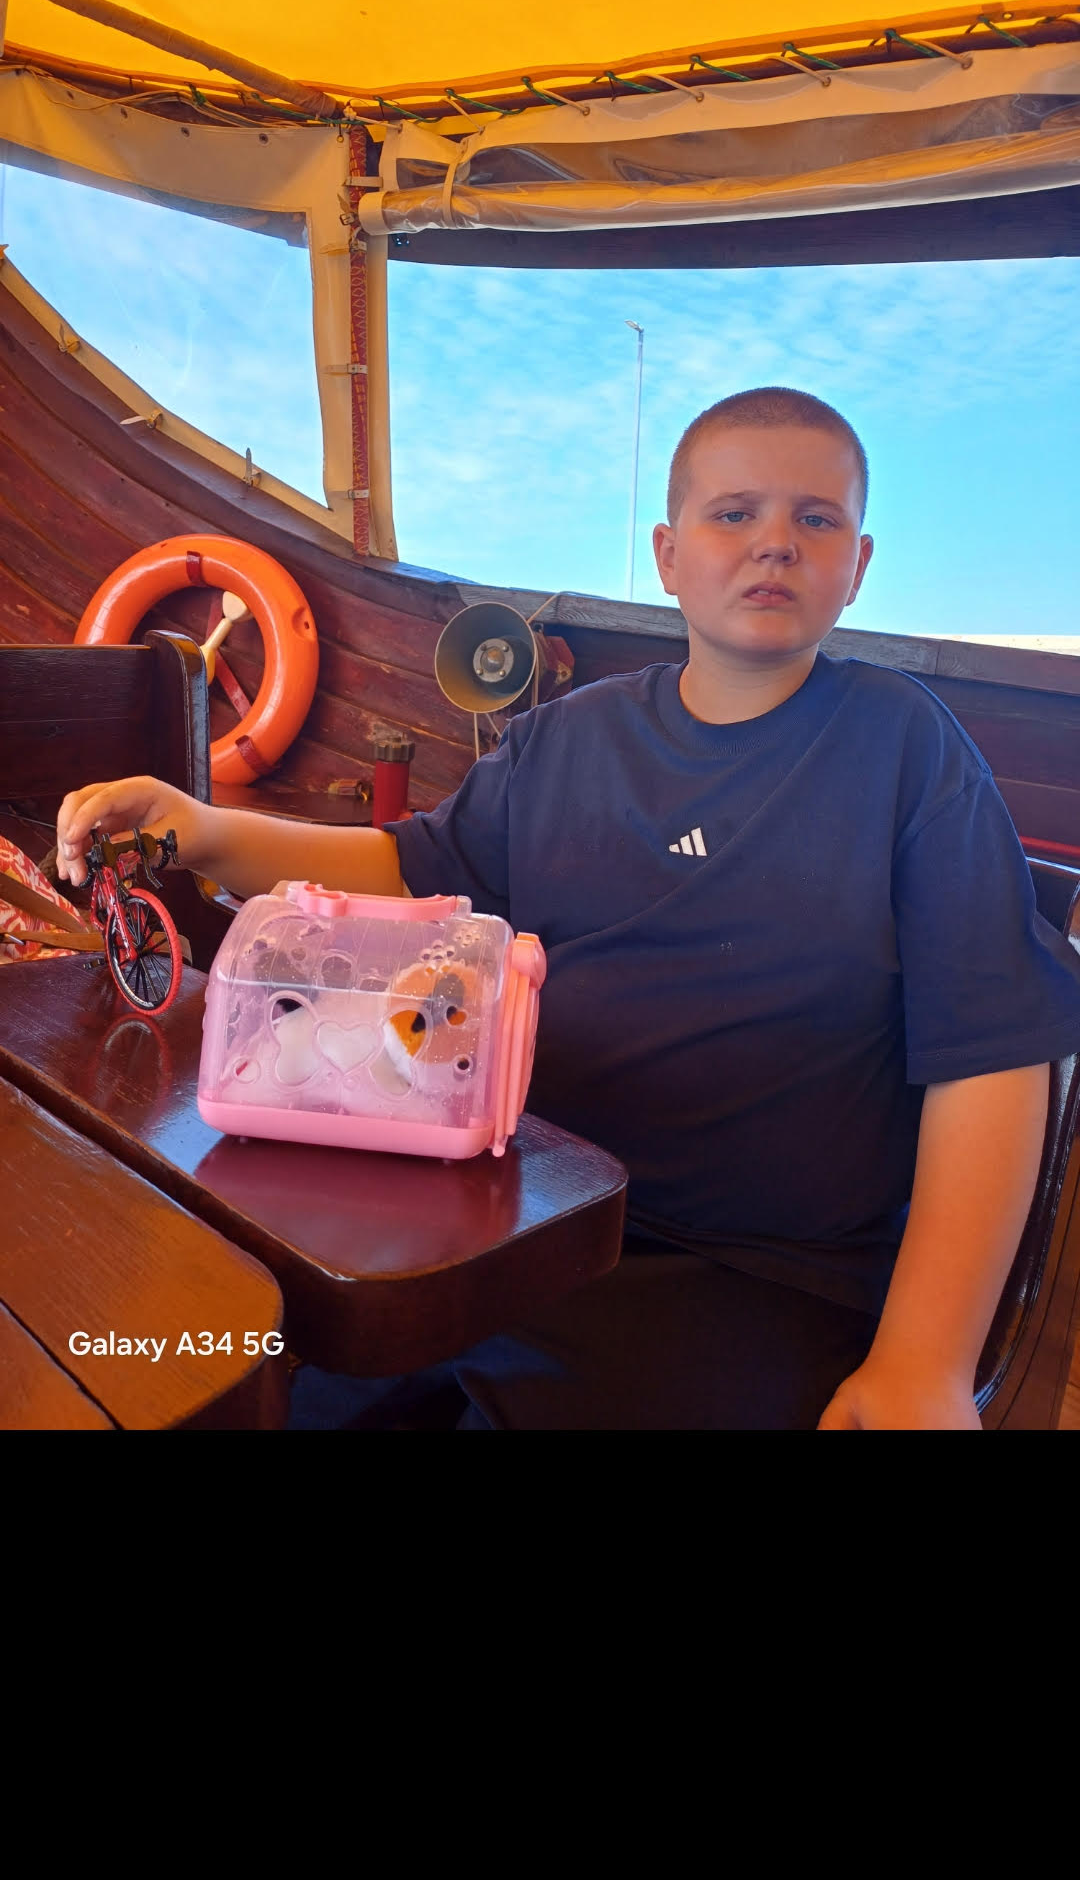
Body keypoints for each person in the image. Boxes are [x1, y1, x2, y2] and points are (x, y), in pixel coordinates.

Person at [56, 387, 1080, 1430]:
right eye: (735, 513)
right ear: (668, 555)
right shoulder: (566, 740)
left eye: (815, 519)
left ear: (856, 567)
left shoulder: (906, 750)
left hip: (756, 1275)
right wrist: (206, 828)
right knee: (259, 1376)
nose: (775, 541)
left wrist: (925, 1358)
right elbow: (410, 864)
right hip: (516, 1204)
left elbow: (993, 1051)